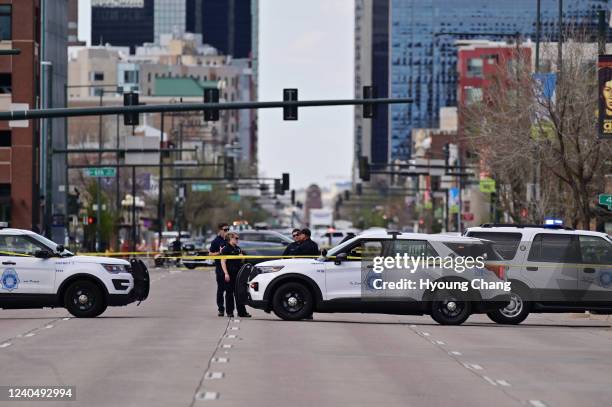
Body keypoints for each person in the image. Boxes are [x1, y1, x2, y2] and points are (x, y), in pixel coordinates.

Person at [220, 232, 251, 318]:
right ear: (230, 239)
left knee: (239, 293)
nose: (237, 240)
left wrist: (242, 258)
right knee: (229, 294)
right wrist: (226, 273)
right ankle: (230, 312)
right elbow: (223, 262)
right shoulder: (225, 249)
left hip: (238, 274)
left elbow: (242, 262)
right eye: (236, 238)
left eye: (237, 238)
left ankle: (242, 312)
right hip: (230, 274)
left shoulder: (238, 249)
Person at [209, 223, 229, 317]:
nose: (227, 232)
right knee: (221, 290)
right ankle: (221, 309)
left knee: (229, 290)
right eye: (225, 230)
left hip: (230, 269)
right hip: (220, 269)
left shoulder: (228, 240)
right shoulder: (215, 241)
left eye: (228, 229)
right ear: (220, 230)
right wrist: (219, 253)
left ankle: (230, 310)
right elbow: (210, 254)